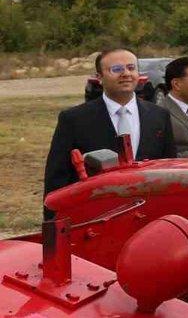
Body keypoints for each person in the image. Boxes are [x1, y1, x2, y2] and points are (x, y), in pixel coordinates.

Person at [43, 48, 176, 217]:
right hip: (95, 218)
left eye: (131, 68)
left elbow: (169, 169)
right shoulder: (74, 119)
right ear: (99, 77)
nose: (126, 74)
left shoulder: (159, 116)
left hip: (149, 215)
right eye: (116, 69)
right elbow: (57, 177)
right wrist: (52, 223)